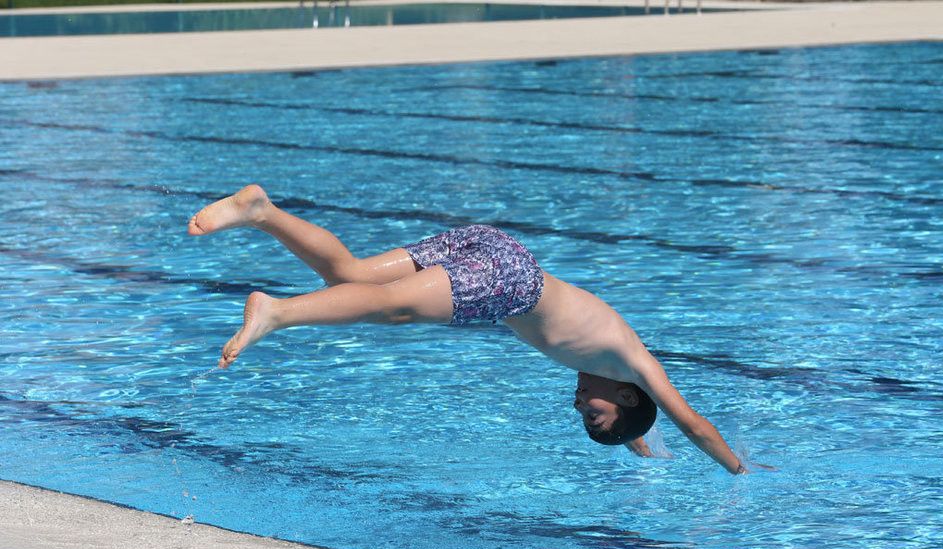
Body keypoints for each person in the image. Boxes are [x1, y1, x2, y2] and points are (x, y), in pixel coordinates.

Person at [189, 185, 751, 473]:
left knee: (351, 274)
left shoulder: (613, 379)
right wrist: (739, 470)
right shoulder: (635, 367)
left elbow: (630, 425)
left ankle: (261, 212)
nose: (579, 404)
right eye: (594, 411)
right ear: (628, 396)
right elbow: (695, 425)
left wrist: (640, 449)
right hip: (510, 281)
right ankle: (278, 313)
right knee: (391, 307)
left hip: (496, 248)